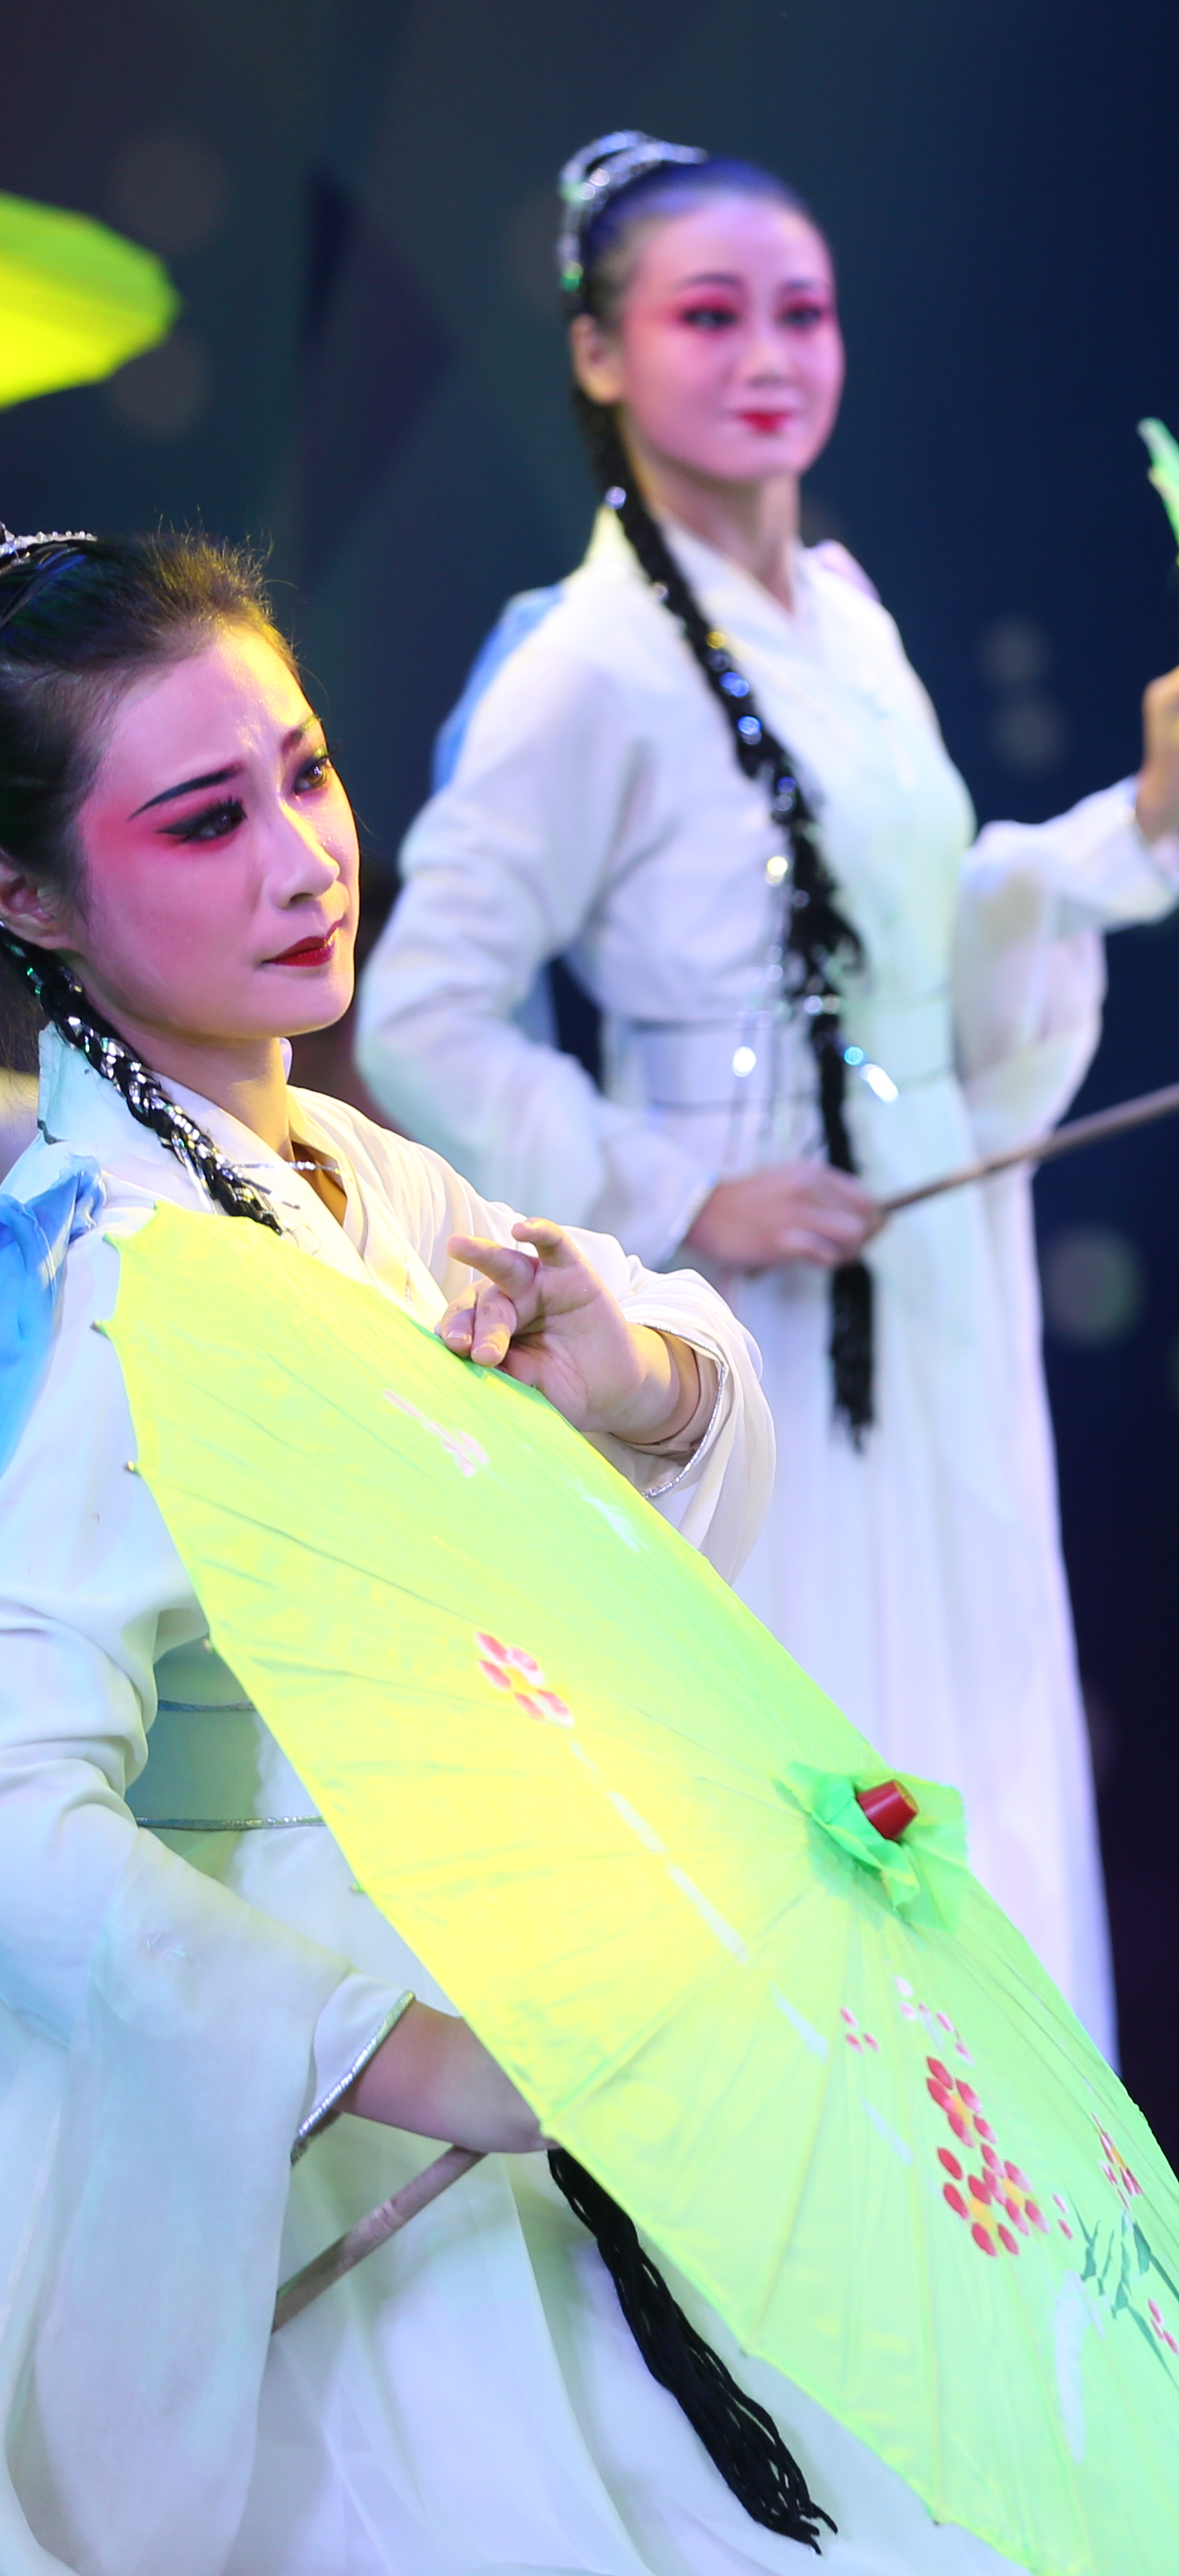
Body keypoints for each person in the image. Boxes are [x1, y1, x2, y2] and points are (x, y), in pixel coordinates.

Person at [0, 528, 1008, 2570]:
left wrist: (638, 1378)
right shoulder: (104, 1282)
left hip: (529, 2018)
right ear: (25, 896)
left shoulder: (359, 1174)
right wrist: (393, 2054)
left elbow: (612, 1546)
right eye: (204, 820)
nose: (305, 859)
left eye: (305, 771)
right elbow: (17, 1810)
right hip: (281, 2136)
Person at [358, 134, 1179, 2046]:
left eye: (803, 312)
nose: (768, 355)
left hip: (922, 1251)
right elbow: (424, 1008)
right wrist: (683, 1192)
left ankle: (999, 2198)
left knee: (972, 1693)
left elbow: (925, 934)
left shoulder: (844, 613)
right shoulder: (587, 661)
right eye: (710, 316)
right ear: (600, 354)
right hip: (745, 1289)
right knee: (817, 1725)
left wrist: (1137, 824)